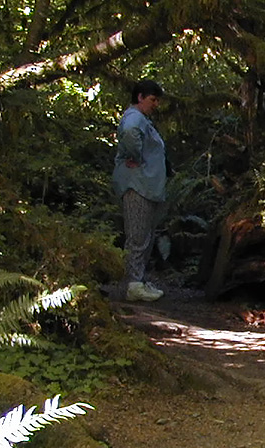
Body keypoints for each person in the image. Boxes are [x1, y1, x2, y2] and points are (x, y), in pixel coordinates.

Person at [113, 79, 168, 302]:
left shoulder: (142, 119)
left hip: (147, 186)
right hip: (137, 185)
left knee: (145, 234)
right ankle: (133, 284)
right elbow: (129, 133)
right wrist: (134, 156)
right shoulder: (134, 117)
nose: (155, 104)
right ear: (140, 97)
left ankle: (138, 280)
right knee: (137, 235)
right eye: (152, 99)